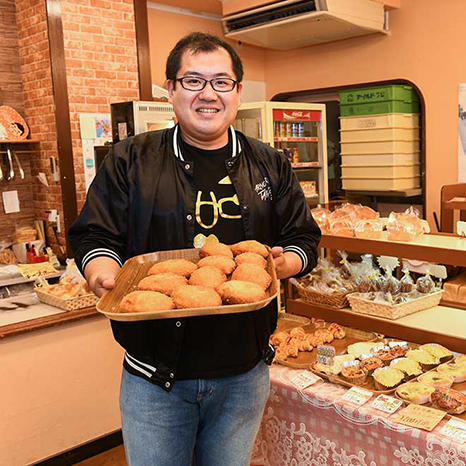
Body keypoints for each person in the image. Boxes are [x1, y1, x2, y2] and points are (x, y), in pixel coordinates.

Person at [68, 32, 321, 466]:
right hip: (154, 379)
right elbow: (94, 235)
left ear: (238, 92)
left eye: (221, 82)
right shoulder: (131, 159)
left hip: (244, 374)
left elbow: (305, 237)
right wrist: (104, 272)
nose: (208, 94)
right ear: (171, 90)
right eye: (193, 81)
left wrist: (285, 262)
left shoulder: (270, 163)